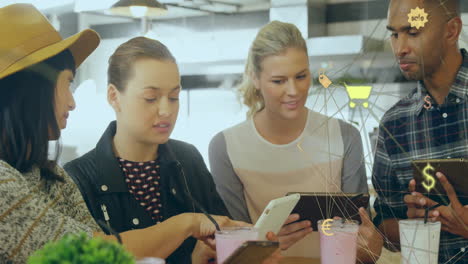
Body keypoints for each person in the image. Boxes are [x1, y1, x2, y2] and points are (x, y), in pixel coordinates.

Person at [0, 4, 248, 263]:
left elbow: (102, 248)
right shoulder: (14, 182)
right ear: (30, 91)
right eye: (67, 83)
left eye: (174, 97)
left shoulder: (52, 176)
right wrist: (187, 223)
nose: (72, 102)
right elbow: (97, 256)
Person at [209, 20, 383, 262]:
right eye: (278, 81)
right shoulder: (225, 147)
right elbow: (231, 249)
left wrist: (372, 245)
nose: (293, 90)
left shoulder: (345, 136)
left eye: (301, 76)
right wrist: (265, 244)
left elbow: (361, 241)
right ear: (255, 79)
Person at [373, 0, 467, 262]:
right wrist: (409, 223)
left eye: (413, 33)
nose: (400, 48)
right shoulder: (394, 124)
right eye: (394, 34)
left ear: (452, 30)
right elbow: (383, 226)